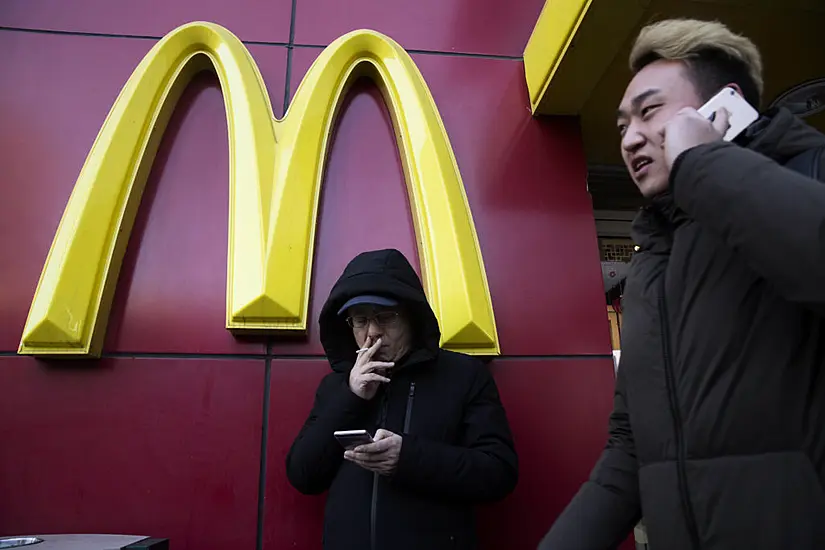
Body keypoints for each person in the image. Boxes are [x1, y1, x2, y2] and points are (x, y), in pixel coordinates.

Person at [539, 18, 825, 550]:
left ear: (726, 106)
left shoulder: (811, 172)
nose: (629, 138)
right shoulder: (653, 262)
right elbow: (631, 448)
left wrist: (702, 163)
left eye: (649, 112)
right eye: (622, 123)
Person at [286, 248, 518, 550]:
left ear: (411, 318)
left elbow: (498, 472)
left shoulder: (463, 375)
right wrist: (351, 397)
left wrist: (408, 458)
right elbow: (303, 476)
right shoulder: (335, 387)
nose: (372, 334)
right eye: (360, 320)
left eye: (385, 318)